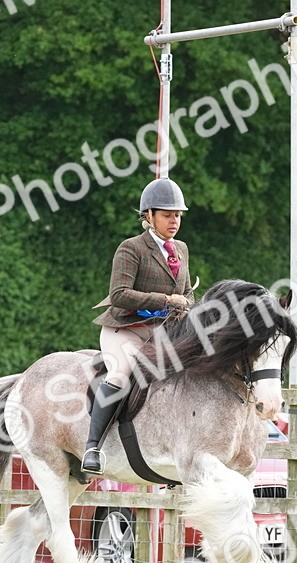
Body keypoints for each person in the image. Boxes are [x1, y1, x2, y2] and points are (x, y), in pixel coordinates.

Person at [82, 177, 195, 473]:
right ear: (149, 216)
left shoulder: (181, 249)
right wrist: (165, 300)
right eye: (167, 215)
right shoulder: (131, 248)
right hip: (126, 328)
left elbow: (186, 292)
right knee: (120, 374)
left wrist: (187, 304)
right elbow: (119, 295)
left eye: (178, 215)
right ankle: (92, 447)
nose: (174, 221)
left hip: (163, 332)